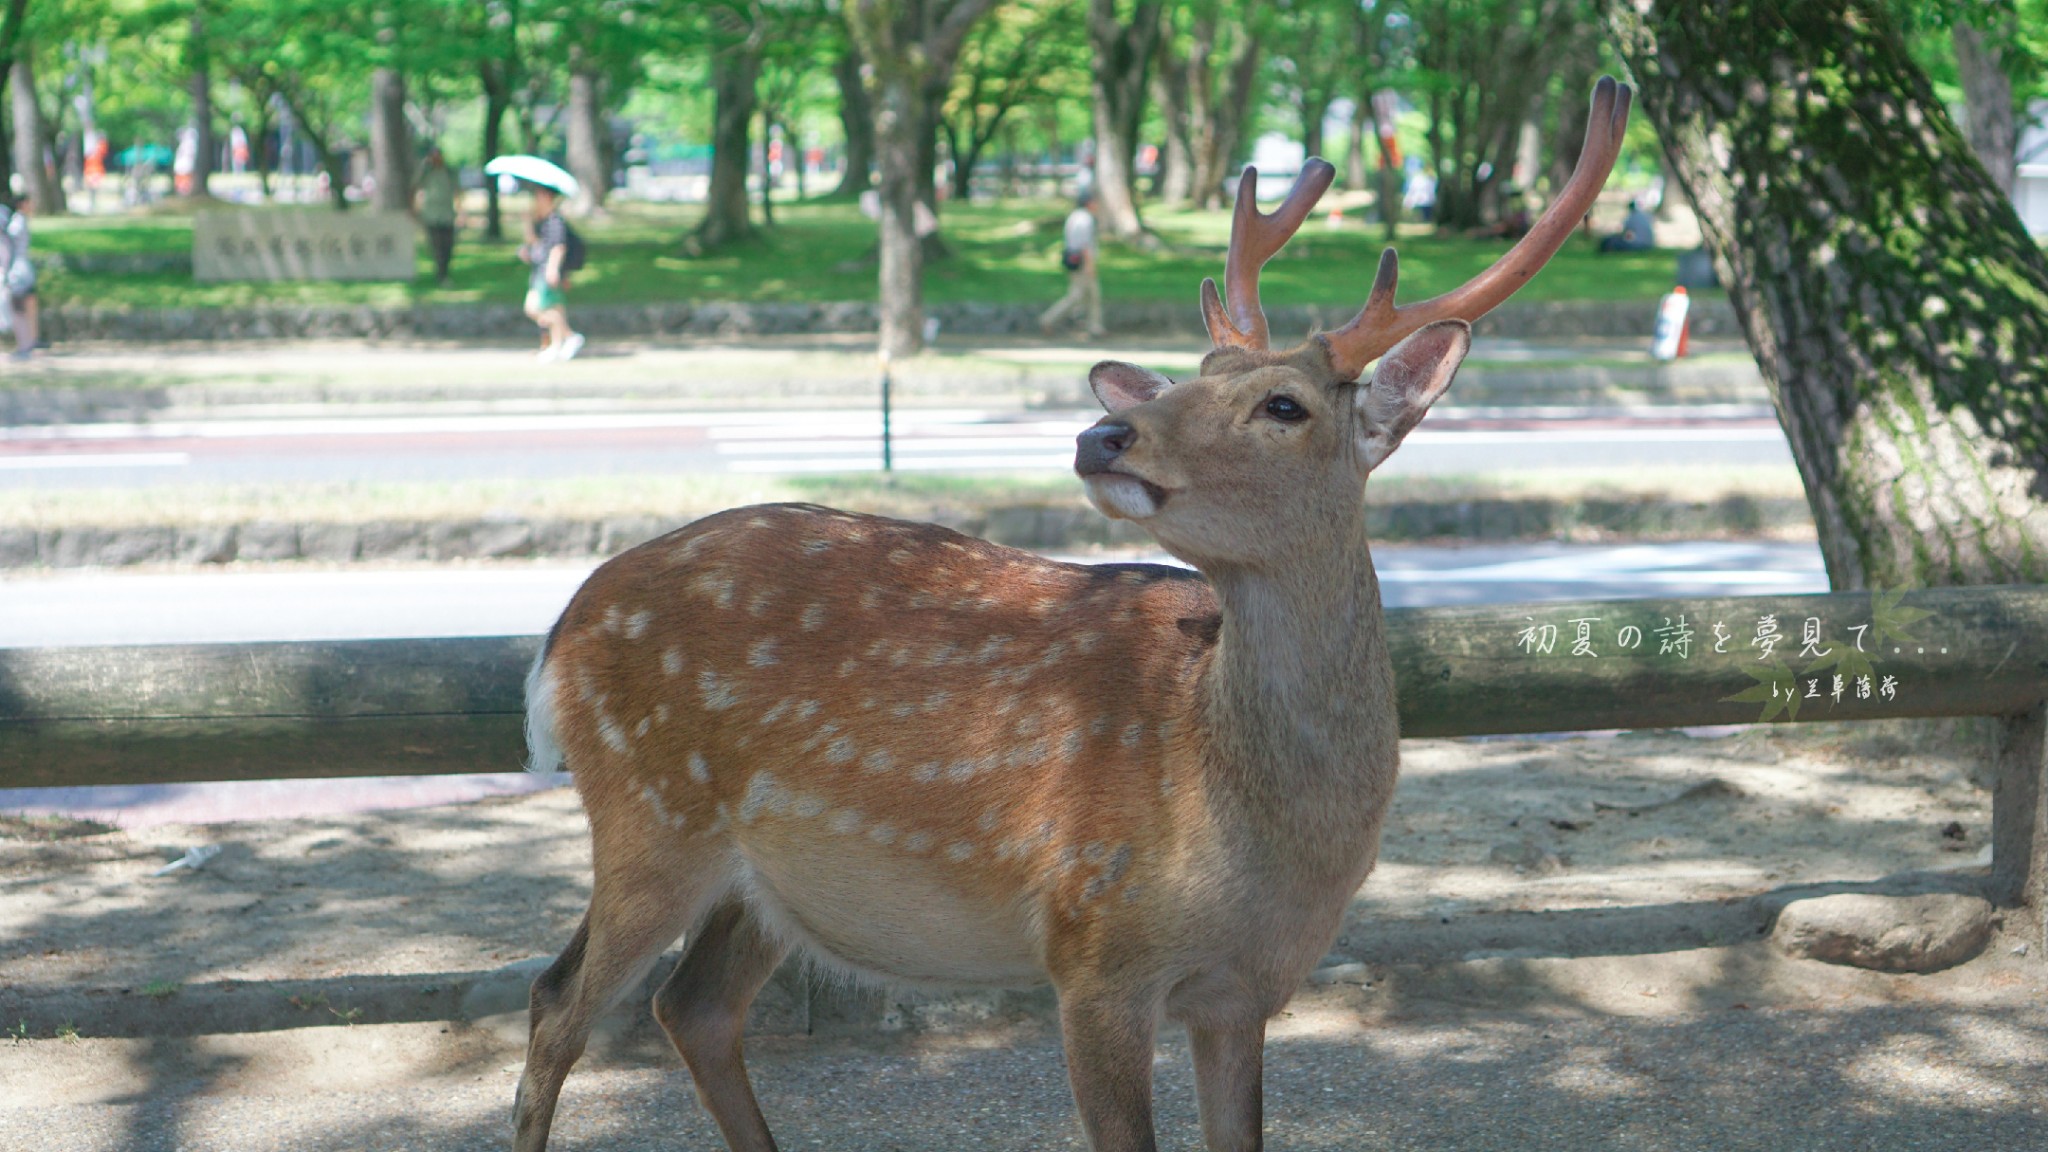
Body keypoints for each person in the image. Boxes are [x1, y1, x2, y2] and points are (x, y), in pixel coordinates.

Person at [519, 183, 583, 361]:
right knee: (554, 308)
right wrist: (526, 222)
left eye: (538, 195)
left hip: (547, 270)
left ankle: (569, 337)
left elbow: (558, 247)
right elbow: (533, 242)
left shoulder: (555, 221)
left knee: (535, 307)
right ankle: (557, 345)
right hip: (540, 268)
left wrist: (553, 269)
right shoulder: (542, 220)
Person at [1039, 187, 1105, 339]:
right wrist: (1090, 265)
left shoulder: (1074, 217)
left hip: (1072, 259)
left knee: (1091, 295)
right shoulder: (1086, 219)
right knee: (1078, 295)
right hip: (1083, 261)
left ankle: (1095, 326)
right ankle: (1049, 319)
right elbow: (1085, 245)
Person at [416, 146, 460, 286]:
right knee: (437, 246)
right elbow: (415, 186)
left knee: (448, 245)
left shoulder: (448, 172)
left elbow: (457, 191)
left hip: (447, 214)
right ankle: (441, 274)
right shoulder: (426, 173)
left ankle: (444, 272)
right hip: (431, 215)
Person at [5, 195, 37, 362]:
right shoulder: (17, 222)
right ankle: (27, 343)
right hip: (21, 269)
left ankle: (26, 344)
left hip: (18, 270)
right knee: (21, 308)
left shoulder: (17, 222)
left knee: (19, 309)